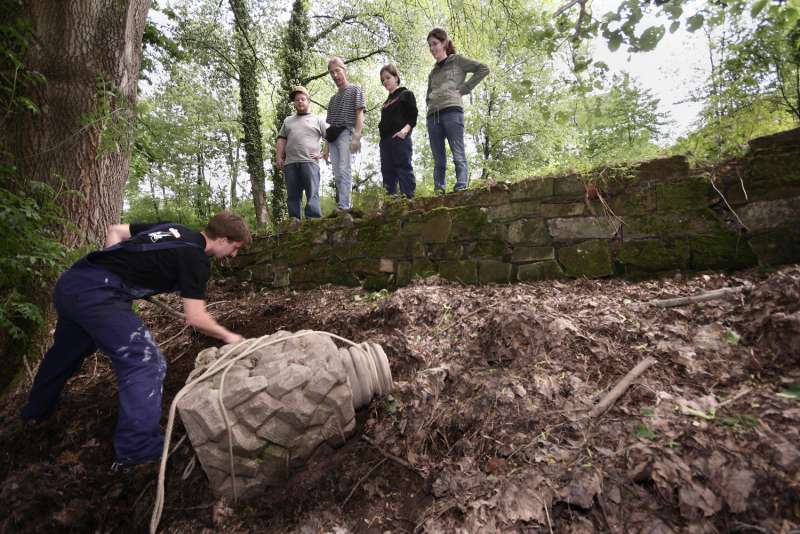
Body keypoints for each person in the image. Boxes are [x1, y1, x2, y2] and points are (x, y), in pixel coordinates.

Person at [21, 212, 252, 469]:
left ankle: (34, 415)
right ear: (221, 239)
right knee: (146, 362)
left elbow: (116, 230)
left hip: (74, 282)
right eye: (234, 247)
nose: (233, 255)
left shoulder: (173, 228)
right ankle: (138, 452)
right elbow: (196, 317)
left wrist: (113, 270)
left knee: (67, 352)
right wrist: (230, 336)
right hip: (98, 293)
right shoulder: (196, 258)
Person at [425, 27, 489, 194]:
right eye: (430, 45)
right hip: (433, 117)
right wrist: (429, 103)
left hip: (452, 112)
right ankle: (439, 191)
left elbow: (483, 69)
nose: (432, 48)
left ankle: (461, 186)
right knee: (438, 159)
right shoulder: (432, 72)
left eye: (435, 44)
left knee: (457, 152)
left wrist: (464, 89)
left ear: (444, 43)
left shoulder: (457, 60)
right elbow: (428, 93)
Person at [277, 86, 328, 219]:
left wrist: (323, 154)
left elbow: (329, 138)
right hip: (290, 164)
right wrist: (279, 157)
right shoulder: (288, 121)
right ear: (294, 103)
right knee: (293, 195)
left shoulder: (318, 120)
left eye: (302, 99)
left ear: (308, 101)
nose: (299, 102)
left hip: (310, 162)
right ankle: (294, 222)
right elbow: (281, 139)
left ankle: (314, 221)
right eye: (297, 100)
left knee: (312, 193)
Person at [325, 57, 365, 211]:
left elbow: (360, 113)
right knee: (337, 172)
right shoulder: (333, 100)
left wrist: (356, 136)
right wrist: (326, 148)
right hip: (333, 138)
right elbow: (331, 125)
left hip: (347, 133)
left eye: (337, 71)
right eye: (331, 73)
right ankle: (342, 203)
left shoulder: (355, 90)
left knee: (344, 168)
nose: (335, 75)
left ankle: (344, 205)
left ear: (344, 69)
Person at [378, 64, 418, 198]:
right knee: (387, 172)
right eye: (383, 80)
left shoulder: (406, 94)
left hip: (400, 139)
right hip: (385, 142)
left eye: (388, 77)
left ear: (396, 77)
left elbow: (413, 117)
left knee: (403, 168)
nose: (385, 81)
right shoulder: (385, 103)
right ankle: (391, 204)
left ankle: (409, 200)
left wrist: (404, 132)